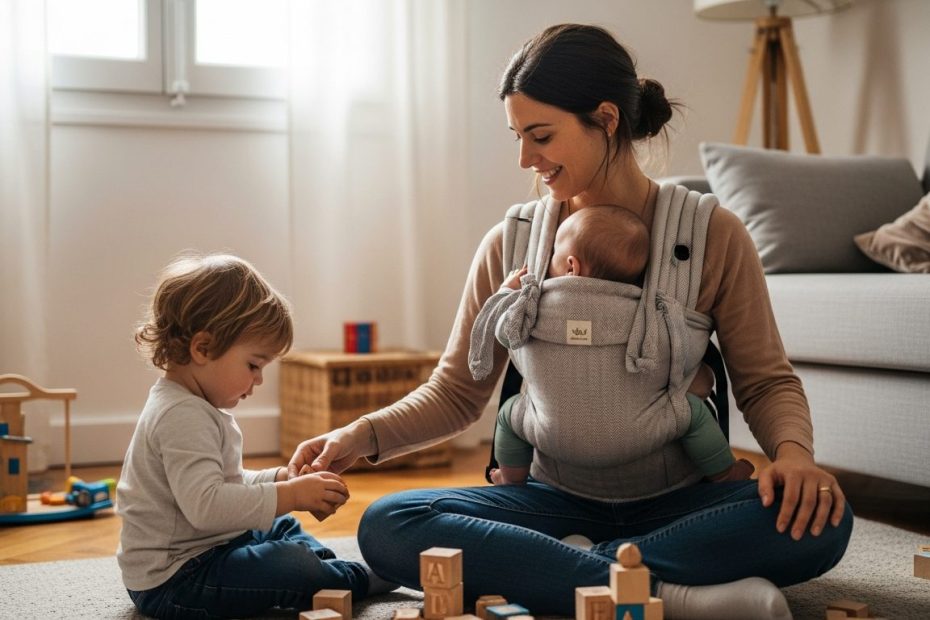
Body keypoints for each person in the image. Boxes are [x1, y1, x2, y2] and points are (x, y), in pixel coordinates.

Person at [288, 24, 852, 620]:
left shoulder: (713, 234)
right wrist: (359, 435)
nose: (526, 159)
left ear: (606, 119)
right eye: (517, 136)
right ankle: (673, 596)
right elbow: (457, 392)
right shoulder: (511, 242)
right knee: (388, 523)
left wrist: (794, 455)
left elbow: (765, 379)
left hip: (679, 502)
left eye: (541, 135)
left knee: (826, 518)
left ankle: (557, 566)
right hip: (548, 500)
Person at [118, 253, 394, 619]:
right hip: (175, 580)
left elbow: (227, 484)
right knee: (287, 563)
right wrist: (290, 494)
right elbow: (207, 507)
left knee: (281, 524)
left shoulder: (195, 406)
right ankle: (342, 579)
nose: (258, 380)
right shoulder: (180, 415)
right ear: (203, 348)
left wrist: (278, 479)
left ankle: (322, 573)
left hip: (212, 547)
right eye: (253, 365)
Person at [475, 205, 754, 486]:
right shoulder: (647, 313)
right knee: (692, 413)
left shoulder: (537, 306)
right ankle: (724, 473)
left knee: (510, 414)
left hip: (550, 435)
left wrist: (507, 292)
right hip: (640, 437)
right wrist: (698, 380)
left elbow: (504, 332)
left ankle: (511, 480)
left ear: (571, 265)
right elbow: (674, 354)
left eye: (553, 258)